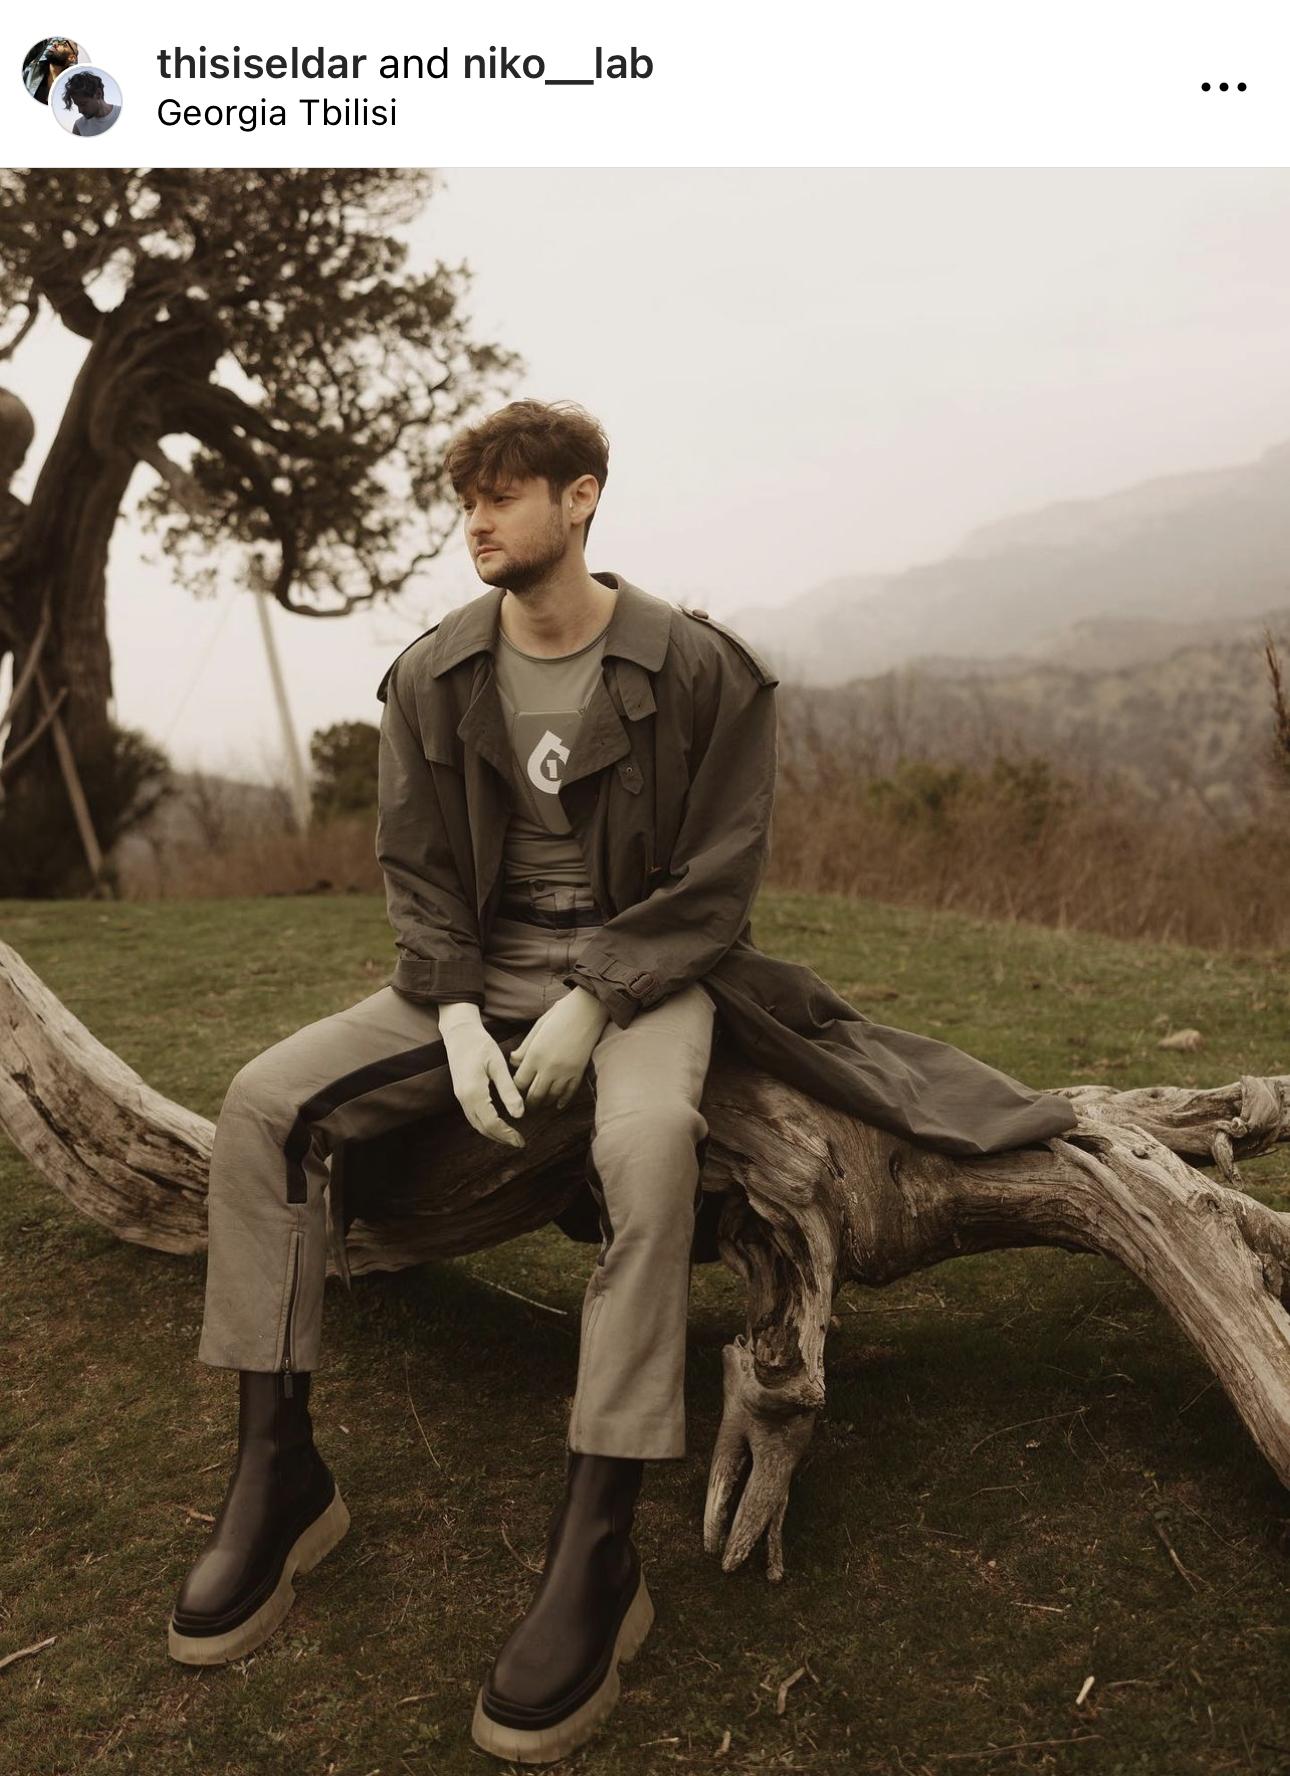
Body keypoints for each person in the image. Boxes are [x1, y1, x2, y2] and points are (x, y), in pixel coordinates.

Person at [169, 398, 1077, 1762]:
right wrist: (456, 1014)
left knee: (646, 1150)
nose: (476, 522)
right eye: (465, 500)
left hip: (647, 976)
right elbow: (418, 870)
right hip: (472, 974)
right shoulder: (433, 676)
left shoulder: (703, 671)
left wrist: (594, 1000)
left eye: (502, 495)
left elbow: (716, 883)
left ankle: (599, 1545)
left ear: (580, 498)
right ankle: (278, 1471)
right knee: (263, 1104)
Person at [21, 37, 79, 104]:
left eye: (64, 44)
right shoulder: (32, 70)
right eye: (56, 41)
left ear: (71, 57)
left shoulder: (69, 88)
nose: (55, 44)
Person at [61, 70, 120, 136]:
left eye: (83, 104)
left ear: (98, 94)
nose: (80, 111)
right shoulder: (79, 127)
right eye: (77, 105)